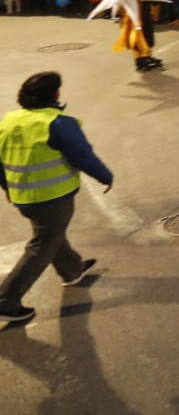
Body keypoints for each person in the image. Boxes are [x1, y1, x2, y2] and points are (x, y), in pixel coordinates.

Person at [1, 71, 111, 326]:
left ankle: (72, 270)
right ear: (54, 94)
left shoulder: (9, 120)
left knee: (51, 234)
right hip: (52, 197)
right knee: (43, 243)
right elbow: (82, 155)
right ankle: (6, 301)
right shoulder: (58, 122)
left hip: (23, 195)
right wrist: (105, 176)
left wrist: (6, 186)